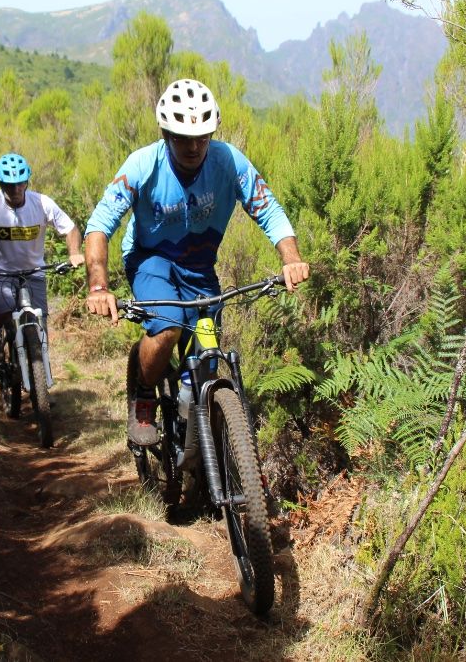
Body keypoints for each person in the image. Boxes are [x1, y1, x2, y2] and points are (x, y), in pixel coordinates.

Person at [83, 78, 310, 446]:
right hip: (149, 259)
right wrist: (98, 286)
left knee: (205, 361)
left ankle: (199, 456)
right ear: (165, 133)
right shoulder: (143, 164)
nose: (193, 146)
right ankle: (144, 397)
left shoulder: (228, 161)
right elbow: (99, 226)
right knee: (167, 328)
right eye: (182, 138)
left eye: (201, 137)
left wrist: (291, 259)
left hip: (199, 268)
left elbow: (268, 208)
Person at [0, 153, 84, 362]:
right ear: (0, 183)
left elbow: (70, 229)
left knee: (40, 321)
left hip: (34, 271)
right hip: (0, 271)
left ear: (27, 181)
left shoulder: (42, 203)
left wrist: (74, 253)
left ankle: (39, 379)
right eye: (8, 185)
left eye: (20, 184)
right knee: (3, 307)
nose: (15, 190)